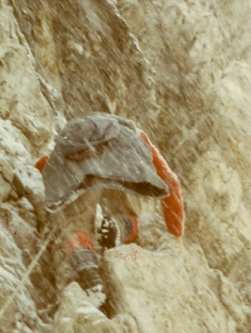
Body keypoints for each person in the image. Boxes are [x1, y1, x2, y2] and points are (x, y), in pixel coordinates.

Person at [35, 113, 185, 292]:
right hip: (126, 164)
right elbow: (170, 180)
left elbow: (48, 165)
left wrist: (34, 171)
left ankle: (88, 274)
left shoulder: (76, 141)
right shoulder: (134, 136)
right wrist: (177, 235)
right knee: (129, 210)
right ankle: (121, 225)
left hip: (83, 167)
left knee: (76, 224)